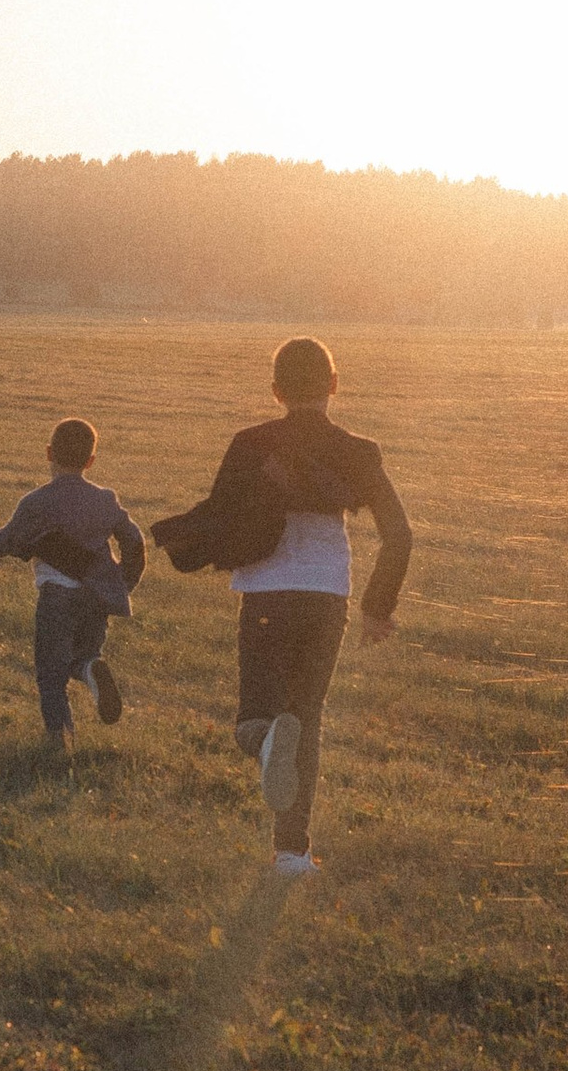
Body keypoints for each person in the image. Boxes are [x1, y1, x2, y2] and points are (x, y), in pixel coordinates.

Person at [152, 336, 411, 872]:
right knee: (306, 718)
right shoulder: (360, 452)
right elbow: (399, 535)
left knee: (255, 715)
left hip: (266, 590)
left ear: (275, 391)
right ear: (334, 385)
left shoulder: (250, 444)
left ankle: (265, 738)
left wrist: (173, 538)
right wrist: (377, 607)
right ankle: (292, 852)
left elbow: (218, 515)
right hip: (327, 595)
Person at [0, 415, 147, 755]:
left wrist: (9, 542)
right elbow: (134, 541)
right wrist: (122, 584)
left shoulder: (36, 502)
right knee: (83, 654)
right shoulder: (105, 499)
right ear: (91, 461)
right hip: (96, 598)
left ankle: (61, 745)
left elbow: (2, 543)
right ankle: (91, 670)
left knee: (51, 675)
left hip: (56, 595)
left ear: (49, 453)